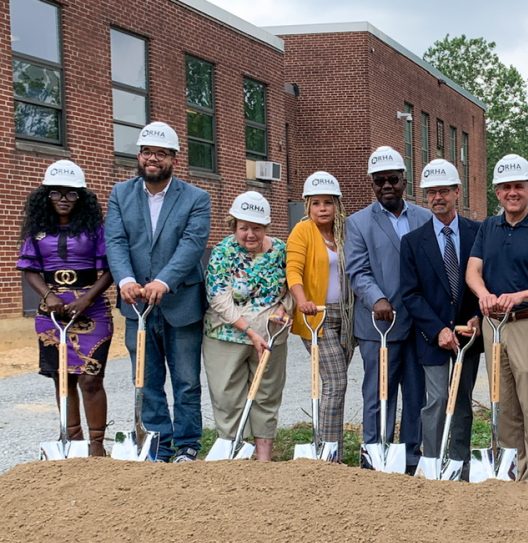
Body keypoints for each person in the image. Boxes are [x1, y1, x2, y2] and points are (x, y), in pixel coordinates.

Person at [104, 121, 211, 463]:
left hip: (180, 302)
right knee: (146, 381)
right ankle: (157, 445)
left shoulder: (196, 198)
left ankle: (188, 445)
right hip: (137, 306)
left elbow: (192, 246)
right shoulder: (121, 194)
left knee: (185, 381)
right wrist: (124, 281)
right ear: (138, 156)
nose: (153, 158)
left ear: (173, 159)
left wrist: (163, 281)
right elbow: (116, 241)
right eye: (147, 152)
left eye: (161, 153)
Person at [466, 153, 528, 483]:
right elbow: (473, 271)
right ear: (497, 191)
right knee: (502, 403)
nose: (513, 192)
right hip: (494, 325)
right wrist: (483, 294)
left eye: (519, 187)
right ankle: (509, 474)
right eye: (506, 187)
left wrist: (520, 295)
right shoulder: (488, 228)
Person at [17, 160, 113, 457]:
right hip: (52, 314)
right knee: (63, 378)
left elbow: (110, 268)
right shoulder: (37, 230)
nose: (63, 199)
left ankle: (97, 448)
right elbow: (29, 269)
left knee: (90, 378)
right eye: (56, 193)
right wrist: (48, 296)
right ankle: (73, 445)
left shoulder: (95, 229)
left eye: (71, 193)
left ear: (81, 197)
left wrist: (86, 299)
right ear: (45, 195)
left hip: (92, 310)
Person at [345, 146, 433, 473]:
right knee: (378, 394)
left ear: (404, 181)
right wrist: (376, 299)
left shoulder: (424, 219)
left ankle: (411, 459)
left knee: (415, 396)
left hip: (417, 325)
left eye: (392, 180)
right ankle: (375, 455)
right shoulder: (358, 223)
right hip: (378, 325)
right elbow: (358, 270)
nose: (386, 186)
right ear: (372, 184)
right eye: (378, 181)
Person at [399, 159, 483, 473]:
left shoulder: (478, 233)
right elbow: (411, 294)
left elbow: (485, 282)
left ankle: (458, 464)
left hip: (468, 334)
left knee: (461, 403)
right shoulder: (413, 242)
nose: (438, 197)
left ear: (457, 192)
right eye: (432, 192)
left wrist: (477, 317)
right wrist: (437, 330)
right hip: (433, 337)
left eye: (444, 191)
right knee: (435, 401)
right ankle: (432, 462)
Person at [204, 192, 290, 462]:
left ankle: (263, 457)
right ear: (234, 226)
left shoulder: (281, 251)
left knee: (266, 394)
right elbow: (218, 296)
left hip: (270, 337)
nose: (250, 234)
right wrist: (248, 330)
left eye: (256, 228)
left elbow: (293, 286)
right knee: (227, 396)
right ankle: (234, 452)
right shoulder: (222, 252)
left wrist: (284, 307)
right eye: (244, 228)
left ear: (266, 227)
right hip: (226, 335)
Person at [286, 171, 355, 461]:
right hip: (317, 316)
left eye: (328, 202)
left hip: (347, 316)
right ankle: (328, 452)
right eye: (316, 203)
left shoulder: (346, 232)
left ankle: (332, 447)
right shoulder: (302, 231)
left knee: (335, 384)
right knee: (336, 381)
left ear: (338, 205)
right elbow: (293, 270)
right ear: (307, 206)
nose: (323, 208)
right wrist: (302, 301)